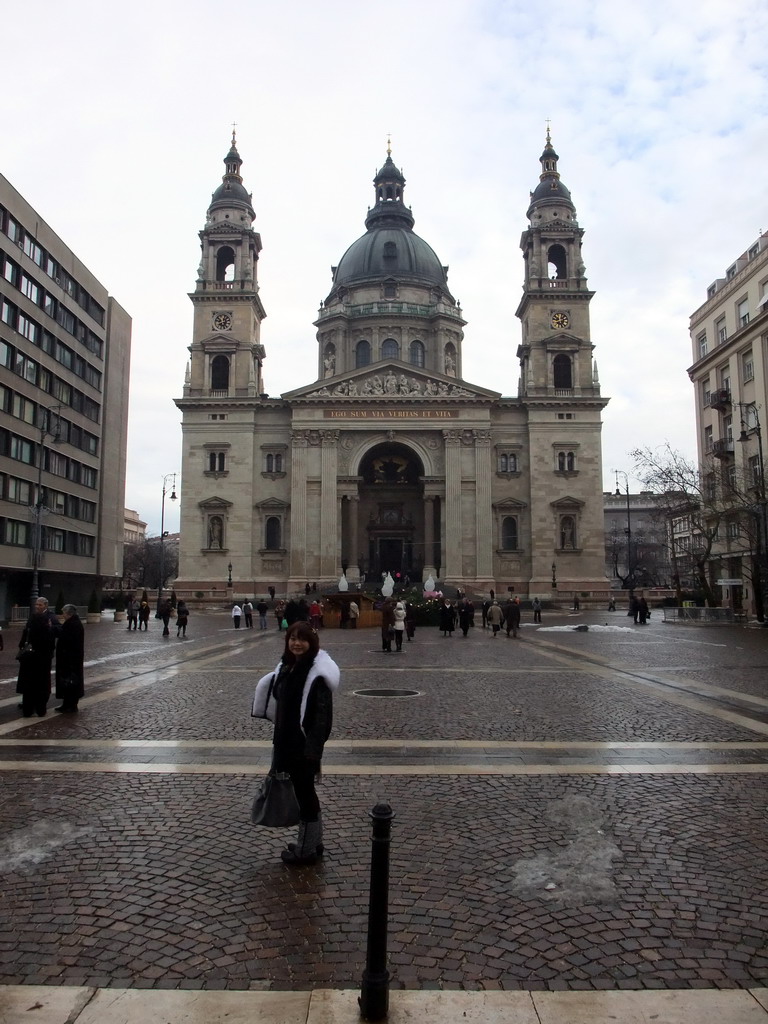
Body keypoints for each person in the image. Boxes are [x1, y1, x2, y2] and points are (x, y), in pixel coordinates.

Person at [252, 622, 341, 865]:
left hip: (303, 746)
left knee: (304, 793)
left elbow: (322, 717)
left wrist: (313, 751)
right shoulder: (288, 667)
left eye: (302, 639)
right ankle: (313, 842)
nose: (296, 643)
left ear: (312, 643)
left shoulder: (317, 675)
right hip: (287, 740)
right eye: (293, 638)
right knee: (304, 792)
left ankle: (305, 850)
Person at [16, 597, 58, 717]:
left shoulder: (48, 618)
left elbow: (24, 639)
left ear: (45, 605)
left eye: (39, 605)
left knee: (30, 684)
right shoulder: (43, 625)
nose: (37, 606)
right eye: (36, 604)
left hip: (33, 658)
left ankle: (29, 708)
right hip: (40, 658)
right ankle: (39, 709)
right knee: (41, 683)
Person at [54, 604, 84, 712]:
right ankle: (68, 703)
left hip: (70, 659)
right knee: (68, 682)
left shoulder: (73, 624)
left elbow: (66, 638)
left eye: (64, 613)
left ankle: (70, 704)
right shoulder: (73, 623)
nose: (63, 615)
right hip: (70, 658)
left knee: (70, 681)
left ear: (68, 614)